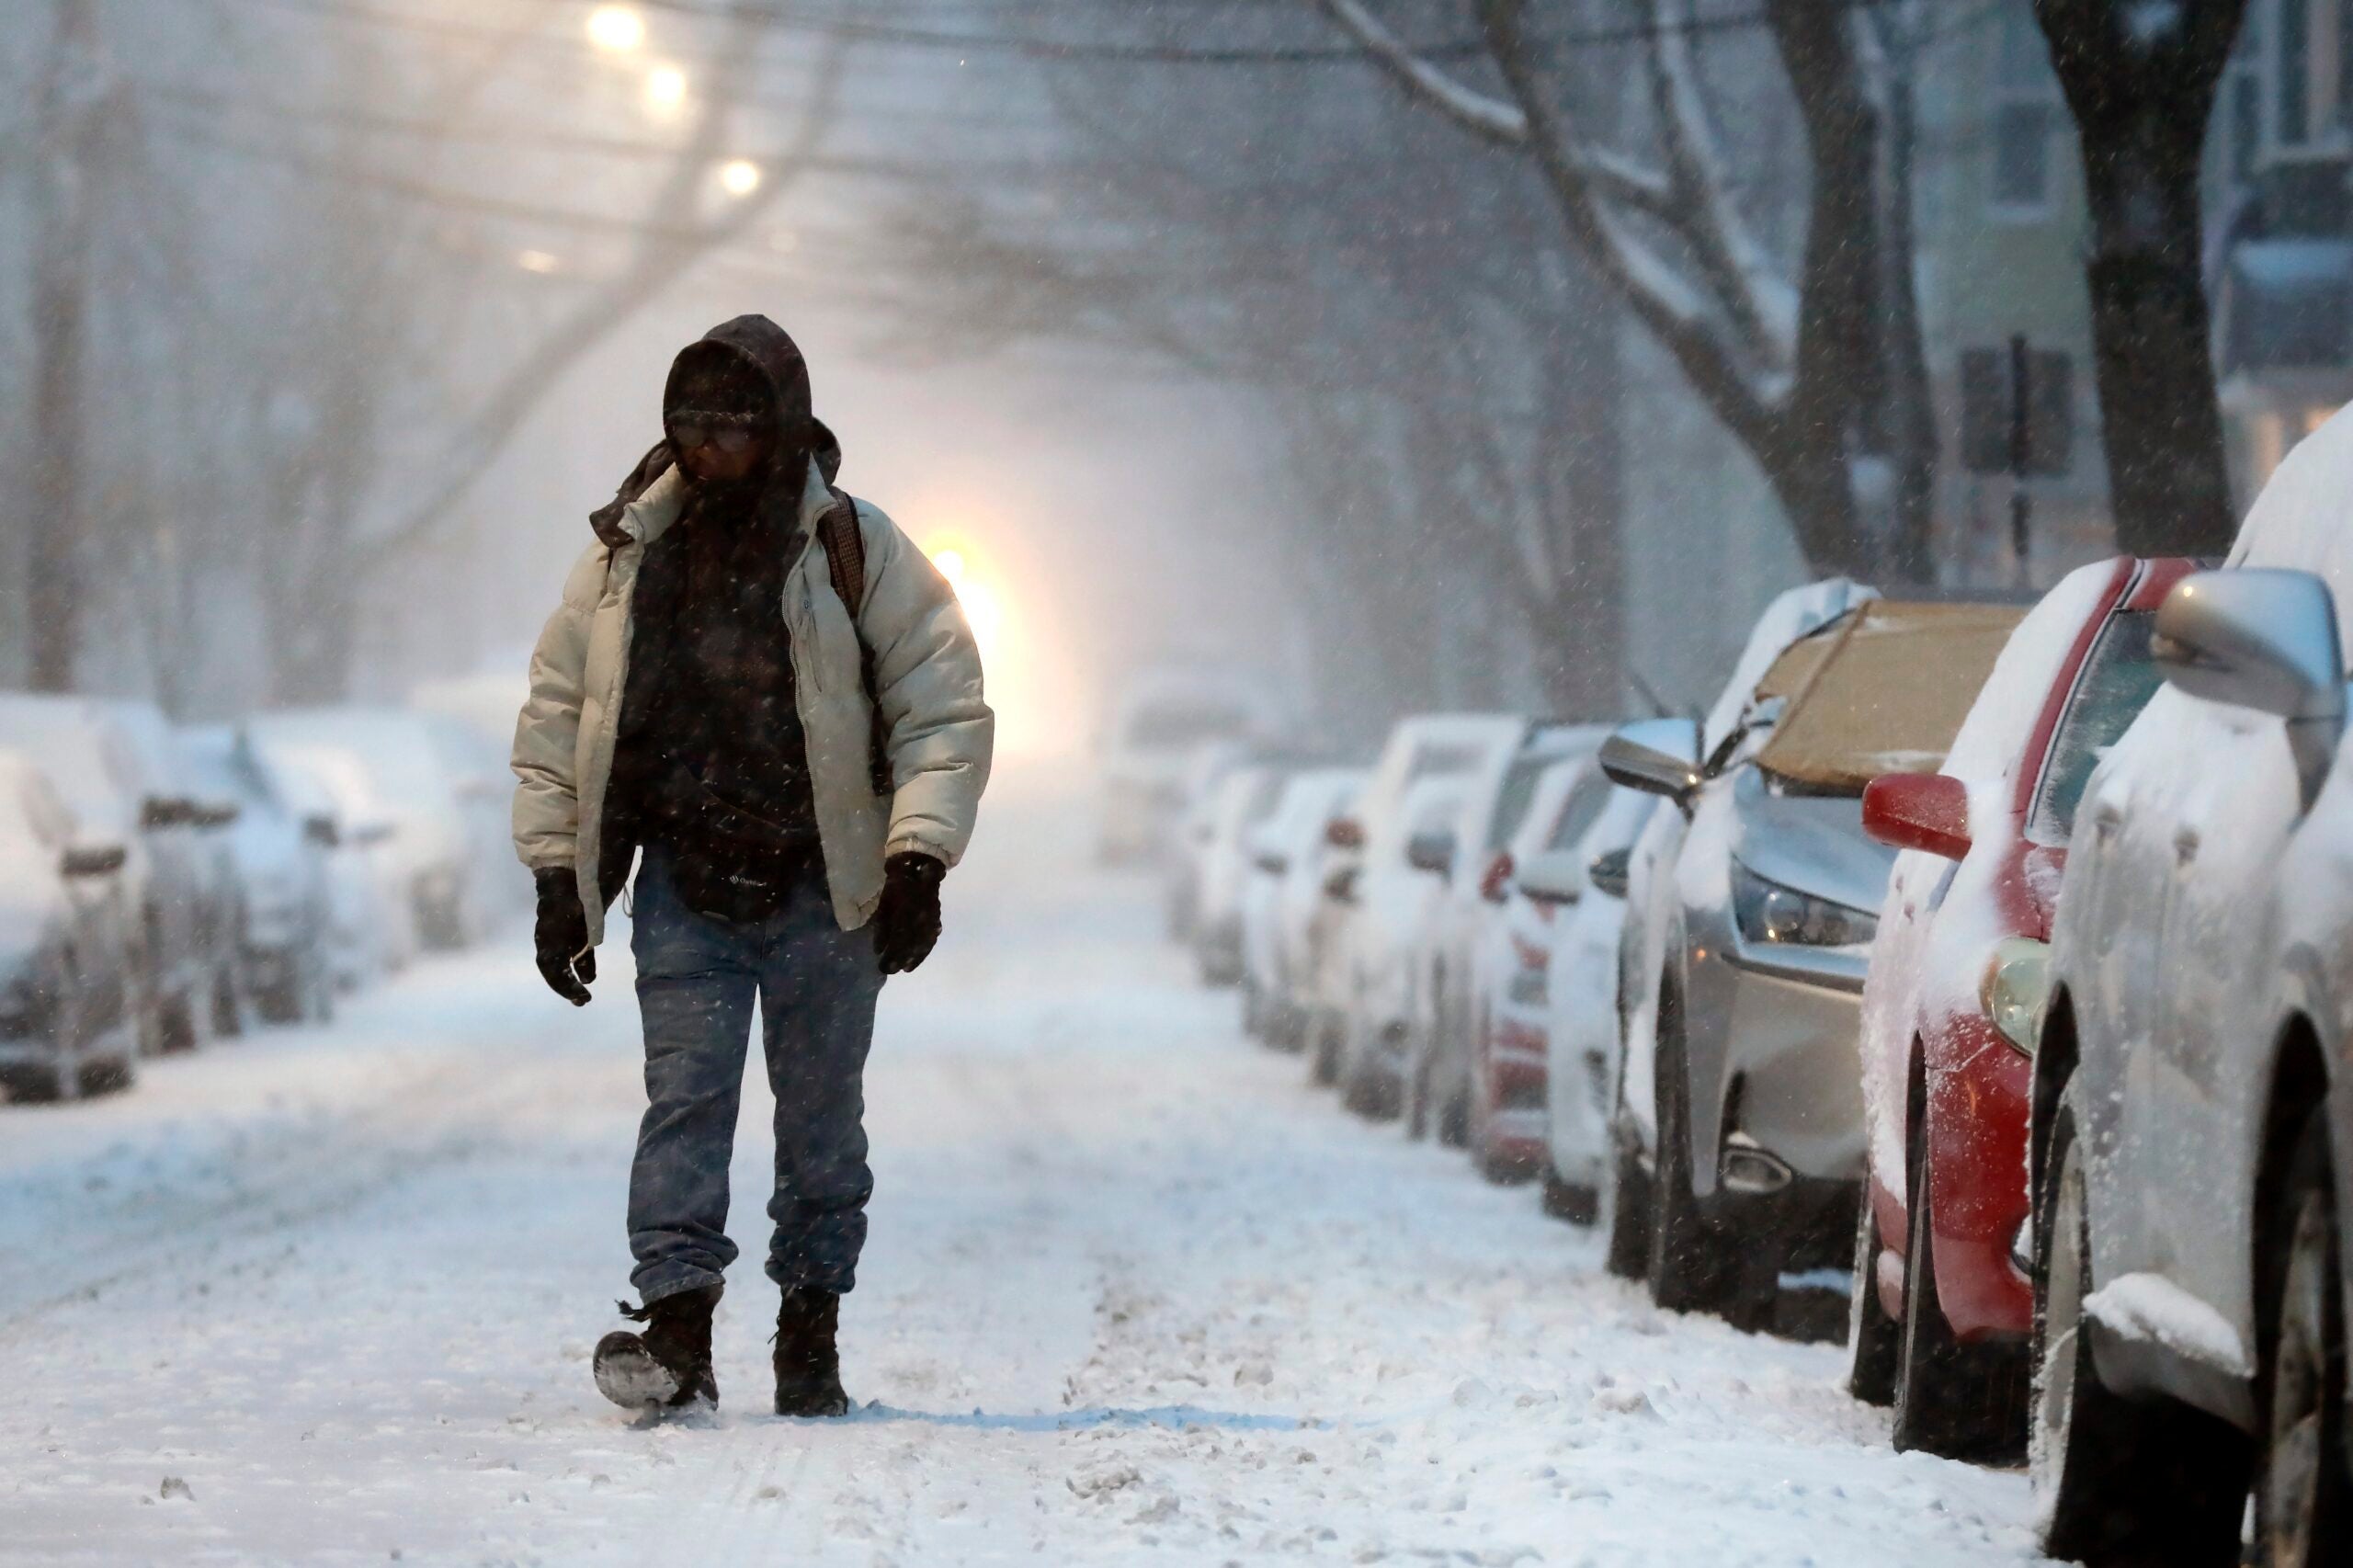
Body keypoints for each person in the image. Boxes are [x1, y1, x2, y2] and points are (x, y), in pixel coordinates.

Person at [509, 313, 992, 1417]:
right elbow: (559, 714)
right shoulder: (629, 554)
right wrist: (556, 876)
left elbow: (942, 705)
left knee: (821, 1115)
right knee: (685, 1103)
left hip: (827, 888)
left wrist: (917, 858)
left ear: (779, 425)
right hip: (684, 882)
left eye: (730, 421)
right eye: (686, 421)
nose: (705, 444)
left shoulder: (851, 548)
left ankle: (809, 1323)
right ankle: (675, 1329)